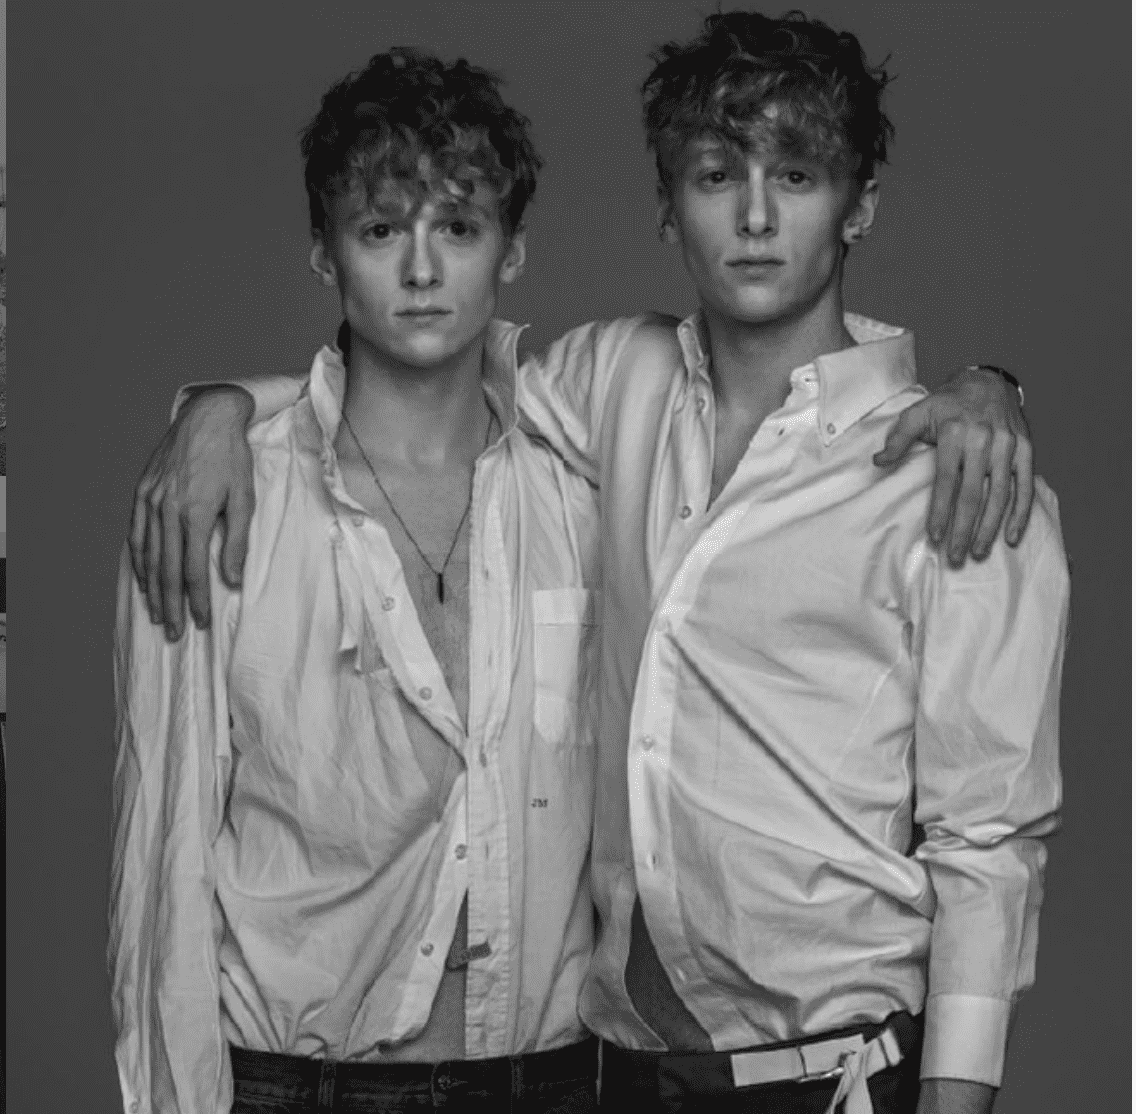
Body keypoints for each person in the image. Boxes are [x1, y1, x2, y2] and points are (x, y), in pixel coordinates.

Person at [123, 13, 1052, 1114]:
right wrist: (221, 407)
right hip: (617, 1076)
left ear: (859, 205)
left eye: (796, 176)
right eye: (716, 176)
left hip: (836, 1072)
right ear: (669, 205)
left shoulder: (956, 475)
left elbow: (987, 838)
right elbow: (425, 366)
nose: (755, 217)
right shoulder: (613, 386)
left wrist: (993, 384)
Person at [111, 49, 604, 1114]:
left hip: (552, 1079)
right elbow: (163, 858)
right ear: (324, 253)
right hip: (296, 1084)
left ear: (512, 250)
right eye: (381, 231)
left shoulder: (583, 492)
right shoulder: (217, 499)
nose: (421, 271)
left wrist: (974, 393)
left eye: (457, 228)